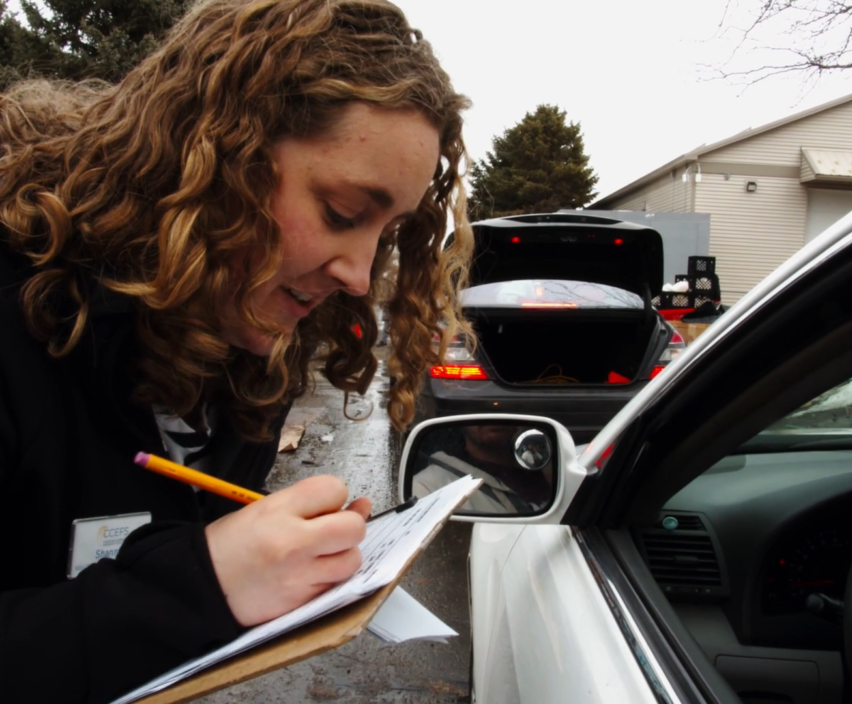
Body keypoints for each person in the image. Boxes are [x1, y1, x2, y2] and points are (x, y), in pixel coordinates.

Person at [0, 1, 474, 701]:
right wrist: (201, 585)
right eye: (343, 214)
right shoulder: (18, 319)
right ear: (217, 158)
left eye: (389, 232)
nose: (358, 273)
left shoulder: (254, 354)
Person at [412, 425, 554, 514]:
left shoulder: (549, 466)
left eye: (503, 405)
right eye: (479, 405)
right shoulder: (428, 487)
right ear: (459, 422)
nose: (494, 413)